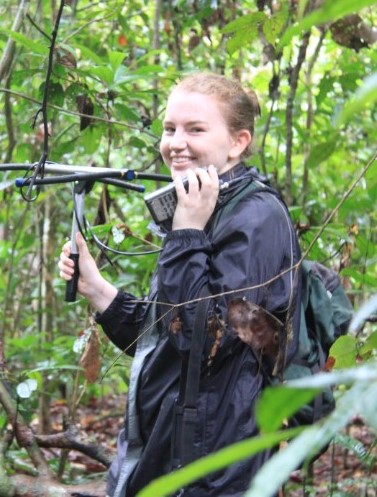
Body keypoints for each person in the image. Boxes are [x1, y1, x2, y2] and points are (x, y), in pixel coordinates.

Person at [58, 72, 302, 497]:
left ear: (238, 142)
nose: (176, 142)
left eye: (195, 129)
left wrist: (186, 234)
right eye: (170, 128)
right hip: (165, 450)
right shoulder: (207, 204)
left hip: (212, 467)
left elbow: (202, 340)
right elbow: (166, 333)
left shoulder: (256, 218)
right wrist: (98, 290)